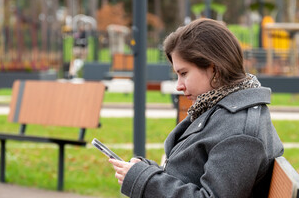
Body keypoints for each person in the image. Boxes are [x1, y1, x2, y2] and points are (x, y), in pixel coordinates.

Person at [108, 18, 284, 197]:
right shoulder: (221, 109)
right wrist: (145, 171)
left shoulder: (240, 132)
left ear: (214, 68)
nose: (179, 85)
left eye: (183, 73)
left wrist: (145, 180)